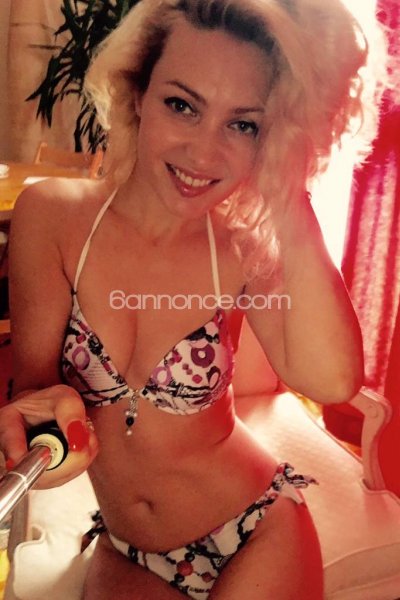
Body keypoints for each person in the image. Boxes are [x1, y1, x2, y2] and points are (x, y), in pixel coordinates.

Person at [0, 0, 383, 598]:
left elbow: (331, 380)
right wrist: (53, 435)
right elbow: (34, 390)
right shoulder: (51, 217)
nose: (204, 154)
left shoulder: (242, 248)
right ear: (137, 94)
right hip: (127, 546)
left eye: (243, 125)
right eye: (182, 105)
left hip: (256, 530)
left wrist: (288, 188)